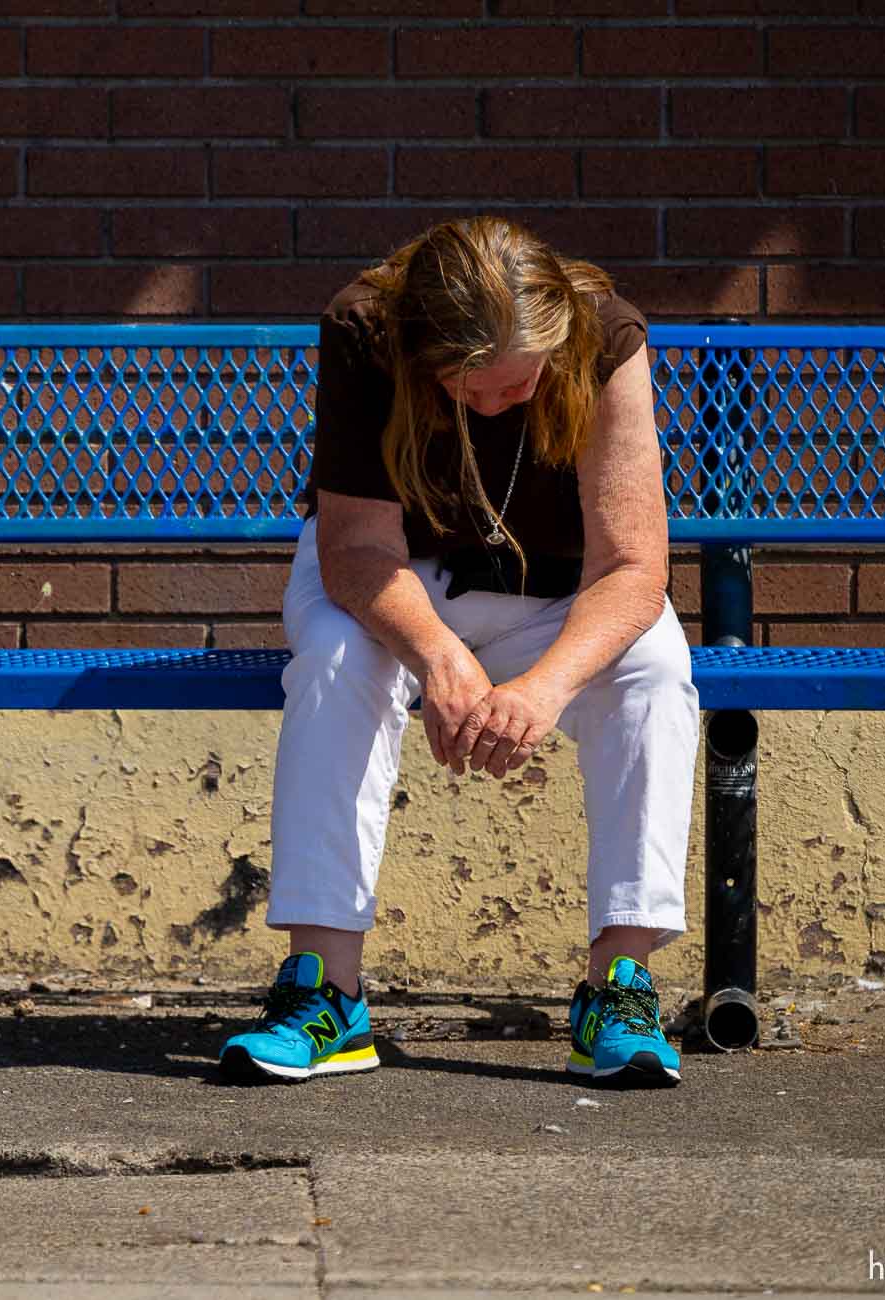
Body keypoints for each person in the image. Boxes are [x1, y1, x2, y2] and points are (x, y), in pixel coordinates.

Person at [218, 216, 699, 1088]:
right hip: (401, 583)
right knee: (336, 660)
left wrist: (545, 688)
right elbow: (357, 549)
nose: (486, 405)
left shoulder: (605, 339)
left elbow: (633, 568)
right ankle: (326, 993)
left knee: (657, 669)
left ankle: (620, 989)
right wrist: (439, 658)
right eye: (461, 385)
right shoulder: (367, 326)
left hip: (561, 597)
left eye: (511, 388)